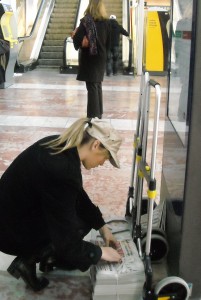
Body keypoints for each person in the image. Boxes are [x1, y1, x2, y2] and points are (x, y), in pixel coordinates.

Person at [0, 117, 122, 292]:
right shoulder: (62, 170)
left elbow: (76, 194)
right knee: (78, 225)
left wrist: (102, 227)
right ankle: (28, 259)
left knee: (82, 215)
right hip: (10, 234)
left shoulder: (59, 145)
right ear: (96, 145)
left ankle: (47, 257)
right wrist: (100, 253)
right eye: (106, 157)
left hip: (10, 218)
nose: (103, 163)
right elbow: (67, 242)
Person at [73, 0, 111, 119]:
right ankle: (98, 114)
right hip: (101, 57)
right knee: (97, 84)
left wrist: (75, 36)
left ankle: (93, 117)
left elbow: (77, 39)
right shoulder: (106, 22)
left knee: (92, 87)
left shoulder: (86, 21)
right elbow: (109, 42)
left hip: (90, 58)